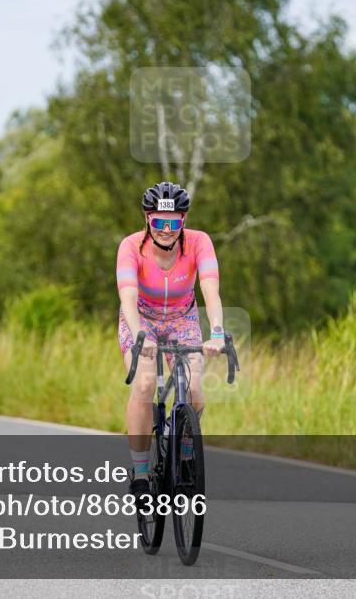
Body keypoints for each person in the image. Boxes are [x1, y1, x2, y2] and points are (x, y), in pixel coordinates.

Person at [116, 182, 225, 505]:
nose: (166, 230)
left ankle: (185, 453)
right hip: (141, 318)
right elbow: (127, 296)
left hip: (182, 319)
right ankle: (139, 474)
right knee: (146, 382)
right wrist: (139, 335)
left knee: (193, 391)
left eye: (173, 222)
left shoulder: (199, 243)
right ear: (147, 220)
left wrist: (217, 331)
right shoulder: (131, 247)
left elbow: (210, 290)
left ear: (184, 221)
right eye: (159, 222)